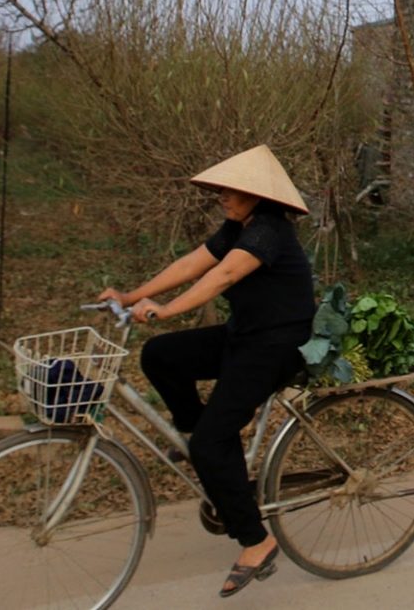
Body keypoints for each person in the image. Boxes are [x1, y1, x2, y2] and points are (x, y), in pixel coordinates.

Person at [96, 145, 315, 598]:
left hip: (275, 347)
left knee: (212, 444)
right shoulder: (239, 225)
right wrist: (133, 295)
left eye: (231, 190)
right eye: (220, 189)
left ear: (256, 194)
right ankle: (206, 438)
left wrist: (167, 310)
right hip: (243, 337)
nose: (221, 196)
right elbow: (193, 264)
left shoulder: (269, 231)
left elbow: (223, 278)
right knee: (160, 356)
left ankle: (256, 542)